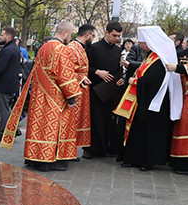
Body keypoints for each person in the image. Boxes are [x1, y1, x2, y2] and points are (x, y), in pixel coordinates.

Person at [0, 21, 81, 172]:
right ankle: (48, 162)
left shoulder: (44, 47)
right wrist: (72, 97)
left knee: (39, 129)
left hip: (39, 96)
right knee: (52, 130)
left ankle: (34, 160)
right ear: (65, 33)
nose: (70, 38)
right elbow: (64, 76)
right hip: (55, 98)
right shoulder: (61, 49)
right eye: (70, 35)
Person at [115, 26, 181, 171]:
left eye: (142, 42)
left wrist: (136, 82)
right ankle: (133, 158)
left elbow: (155, 80)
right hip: (144, 99)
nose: (140, 45)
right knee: (138, 130)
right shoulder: (151, 55)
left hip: (155, 101)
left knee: (150, 133)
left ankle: (146, 161)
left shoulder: (160, 58)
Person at [85, 21, 125, 159]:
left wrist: (120, 79)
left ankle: (105, 147)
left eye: (119, 36)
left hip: (111, 91)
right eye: (114, 35)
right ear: (107, 32)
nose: (116, 39)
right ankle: (91, 149)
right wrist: (97, 72)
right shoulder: (93, 48)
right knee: (95, 119)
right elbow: (84, 68)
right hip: (95, 89)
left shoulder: (118, 50)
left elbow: (118, 70)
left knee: (109, 119)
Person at [65, 24, 95, 158]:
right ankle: (67, 151)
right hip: (74, 90)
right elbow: (66, 70)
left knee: (77, 120)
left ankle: (71, 151)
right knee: (72, 120)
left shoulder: (81, 48)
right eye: (93, 36)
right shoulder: (72, 48)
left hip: (82, 90)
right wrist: (81, 78)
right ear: (87, 35)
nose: (93, 39)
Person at [0, 27, 22, 142]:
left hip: (4, 84)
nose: (0, 37)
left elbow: (0, 67)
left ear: (8, 37)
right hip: (10, 83)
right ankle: (15, 129)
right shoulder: (14, 48)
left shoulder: (7, 50)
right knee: (6, 109)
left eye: (2, 35)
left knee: (3, 110)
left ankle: (2, 132)